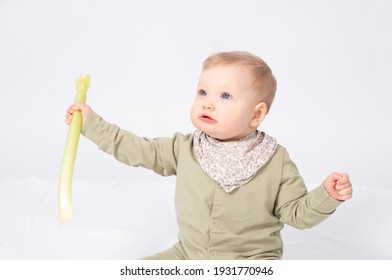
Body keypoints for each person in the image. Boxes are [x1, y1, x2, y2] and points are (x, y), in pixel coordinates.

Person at [65, 51, 353, 260]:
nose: (208, 103)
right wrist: (92, 124)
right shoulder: (185, 148)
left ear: (256, 114)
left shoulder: (275, 161)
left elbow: (297, 214)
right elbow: (138, 149)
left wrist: (326, 195)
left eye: (224, 96)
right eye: (203, 92)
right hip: (189, 256)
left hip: (250, 262)